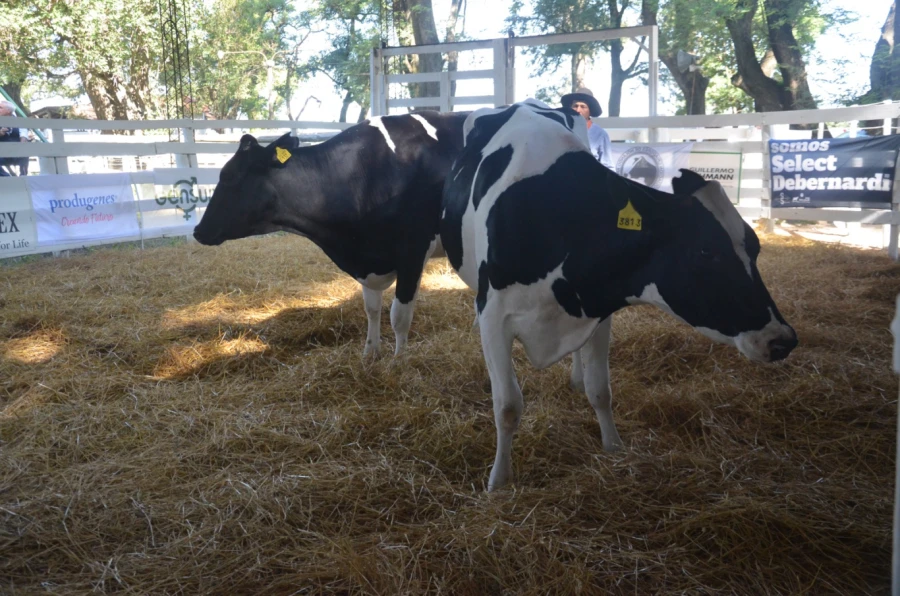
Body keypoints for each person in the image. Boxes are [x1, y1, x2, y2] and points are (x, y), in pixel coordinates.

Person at [560, 87, 612, 168]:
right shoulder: (563, 131)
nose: (578, 110)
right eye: (575, 106)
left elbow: (608, 166)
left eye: (583, 107)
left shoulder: (600, 134)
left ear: (590, 111)